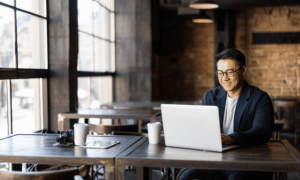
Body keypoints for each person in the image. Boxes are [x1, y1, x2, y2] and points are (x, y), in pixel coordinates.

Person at [178, 49, 274, 180]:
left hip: (244, 160)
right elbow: (201, 129)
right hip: (213, 160)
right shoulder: (210, 97)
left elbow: (263, 131)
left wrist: (232, 139)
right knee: (185, 177)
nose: (224, 78)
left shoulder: (259, 98)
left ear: (243, 70)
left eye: (230, 72)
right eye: (220, 73)